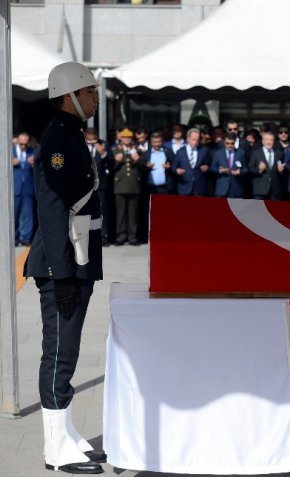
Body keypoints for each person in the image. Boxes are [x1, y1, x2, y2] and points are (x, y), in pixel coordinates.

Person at [23, 61, 106, 474]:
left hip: (78, 258)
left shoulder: (71, 135)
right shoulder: (58, 140)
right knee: (59, 353)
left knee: (68, 351)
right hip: (64, 264)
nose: (95, 97)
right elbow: (53, 211)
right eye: (89, 91)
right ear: (70, 95)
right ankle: (54, 448)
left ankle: (66, 431)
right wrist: (62, 274)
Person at [12, 131, 36, 246]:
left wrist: (34, 163)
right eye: (21, 144)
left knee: (28, 215)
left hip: (28, 188)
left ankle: (26, 239)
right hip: (15, 188)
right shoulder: (9, 151)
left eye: (25, 144)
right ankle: (15, 238)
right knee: (14, 215)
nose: (23, 146)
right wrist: (9, 163)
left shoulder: (33, 152)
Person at [249, 131, 285, 200]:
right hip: (260, 190)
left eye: (271, 140)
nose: (269, 142)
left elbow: (282, 172)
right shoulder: (256, 153)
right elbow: (250, 170)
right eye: (266, 140)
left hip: (275, 190)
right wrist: (259, 170)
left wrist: (281, 171)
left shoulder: (279, 153)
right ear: (262, 141)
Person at [211, 133, 248, 198]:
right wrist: (220, 171)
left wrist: (240, 172)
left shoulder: (241, 153)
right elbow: (212, 168)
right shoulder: (218, 154)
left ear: (235, 143)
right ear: (224, 143)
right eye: (227, 143)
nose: (230, 145)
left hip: (236, 188)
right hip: (222, 188)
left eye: (232, 143)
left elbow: (246, 169)